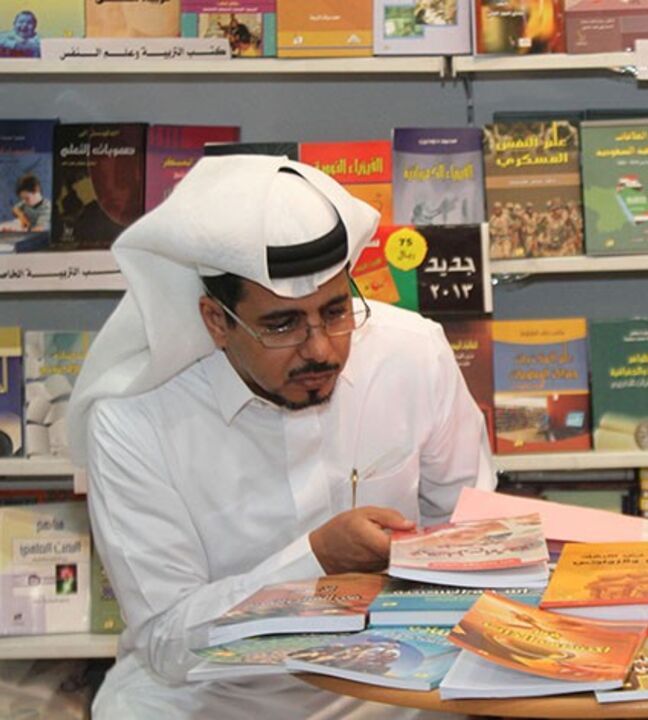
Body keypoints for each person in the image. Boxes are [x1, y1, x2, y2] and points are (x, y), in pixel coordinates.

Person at [67, 156, 495, 719]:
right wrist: (315, 561)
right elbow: (168, 641)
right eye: (282, 324)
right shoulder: (134, 418)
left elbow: (474, 534)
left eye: (336, 310)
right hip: (212, 694)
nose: (321, 348)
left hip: (390, 682)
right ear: (216, 321)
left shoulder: (413, 354)